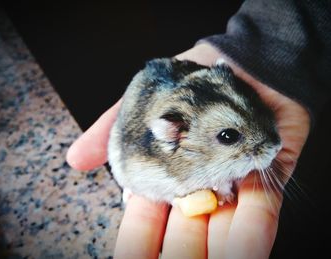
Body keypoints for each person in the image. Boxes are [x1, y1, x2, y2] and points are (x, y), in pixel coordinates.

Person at [66, 0, 330, 258]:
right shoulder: (158, 157)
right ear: (175, 135)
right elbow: (144, 173)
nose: (273, 146)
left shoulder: (222, 87)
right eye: (228, 136)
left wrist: (260, 56)